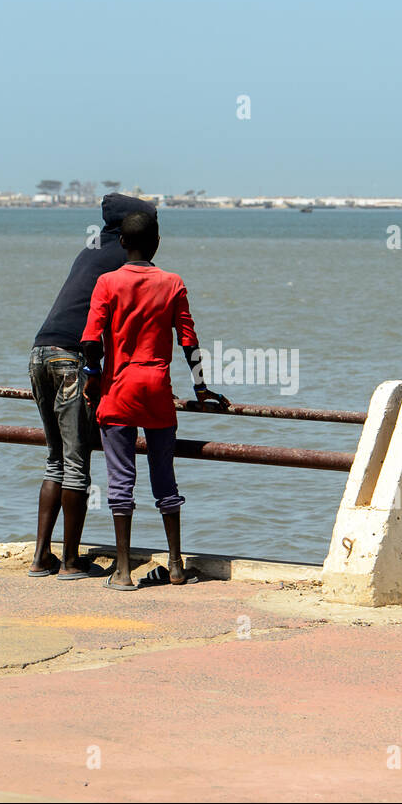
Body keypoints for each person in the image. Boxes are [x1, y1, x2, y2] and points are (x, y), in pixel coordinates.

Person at [81, 210, 229, 590]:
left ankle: (124, 571)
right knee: (165, 479)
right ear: (157, 243)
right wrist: (201, 389)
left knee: (120, 481)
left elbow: (89, 342)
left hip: (119, 390)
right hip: (158, 389)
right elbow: (188, 340)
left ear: (122, 244)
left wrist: (92, 379)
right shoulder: (172, 282)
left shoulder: (107, 282)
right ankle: (177, 565)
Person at [28, 193, 157, 578]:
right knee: (75, 462)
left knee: (54, 460)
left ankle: (41, 558)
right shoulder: (126, 258)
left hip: (40, 352)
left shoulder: (90, 252)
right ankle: (69, 562)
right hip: (71, 358)